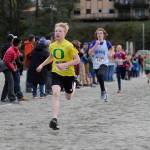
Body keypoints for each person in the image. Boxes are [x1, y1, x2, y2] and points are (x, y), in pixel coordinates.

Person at [36, 22, 80, 130]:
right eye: (56, 31)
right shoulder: (52, 45)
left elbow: (77, 60)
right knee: (55, 93)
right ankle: (54, 119)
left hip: (68, 74)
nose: (57, 33)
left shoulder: (69, 45)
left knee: (68, 97)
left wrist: (64, 64)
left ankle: (74, 84)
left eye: (60, 31)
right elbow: (51, 58)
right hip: (56, 73)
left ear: (65, 33)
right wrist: (41, 65)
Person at [89, 27, 112, 102]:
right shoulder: (93, 42)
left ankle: (103, 91)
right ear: (96, 35)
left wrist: (110, 54)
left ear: (103, 34)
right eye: (98, 33)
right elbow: (89, 52)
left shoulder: (107, 43)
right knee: (99, 78)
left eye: (101, 33)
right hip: (96, 63)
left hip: (104, 63)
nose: (99, 35)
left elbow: (111, 50)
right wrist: (96, 45)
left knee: (100, 74)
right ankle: (103, 91)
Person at [1, 37, 21, 103]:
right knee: (11, 82)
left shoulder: (16, 49)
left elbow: (14, 60)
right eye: (20, 43)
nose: (21, 44)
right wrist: (13, 68)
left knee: (7, 82)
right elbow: (7, 62)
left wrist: (15, 67)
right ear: (18, 44)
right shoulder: (10, 50)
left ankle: (3, 98)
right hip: (5, 67)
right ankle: (12, 98)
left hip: (9, 65)